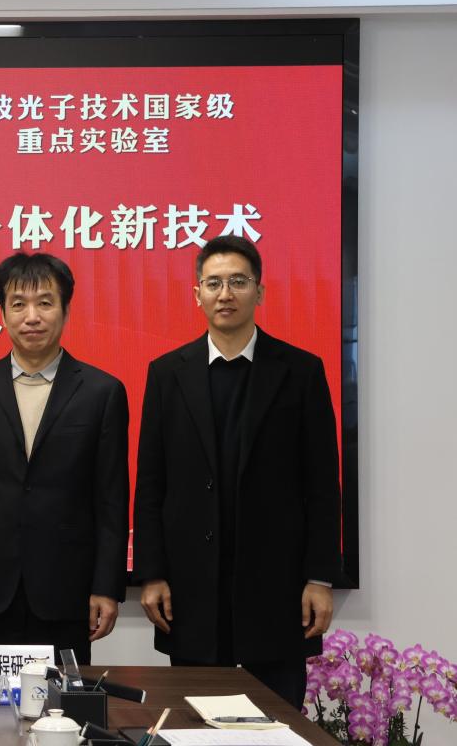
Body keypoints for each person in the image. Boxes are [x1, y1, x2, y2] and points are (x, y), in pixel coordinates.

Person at [132, 235, 341, 708]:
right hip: (191, 591)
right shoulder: (167, 373)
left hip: (277, 588)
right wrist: (152, 574)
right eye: (214, 283)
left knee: (277, 722)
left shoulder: (300, 371)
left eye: (238, 282)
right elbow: (151, 484)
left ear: (259, 292)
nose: (225, 294)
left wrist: (320, 578)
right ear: (197, 294)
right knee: (194, 722)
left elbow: (322, 486)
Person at [0, 252, 129, 663]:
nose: (32, 317)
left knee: (64, 700)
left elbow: (111, 499)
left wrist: (107, 586)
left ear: (66, 310)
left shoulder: (102, 392)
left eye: (45, 303)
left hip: (67, 590)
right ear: (2, 313)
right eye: (18, 304)